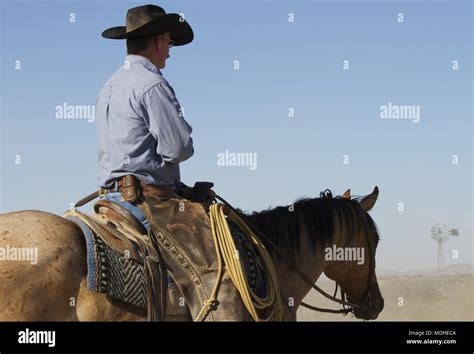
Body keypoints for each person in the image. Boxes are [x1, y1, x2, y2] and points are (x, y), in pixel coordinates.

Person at [96, 4, 195, 231]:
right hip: (146, 203)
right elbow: (178, 149)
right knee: (218, 253)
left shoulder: (108, 86)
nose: (169, 52)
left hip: (111, 200)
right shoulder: (153, 84)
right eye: (169, 43)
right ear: (159, 42)